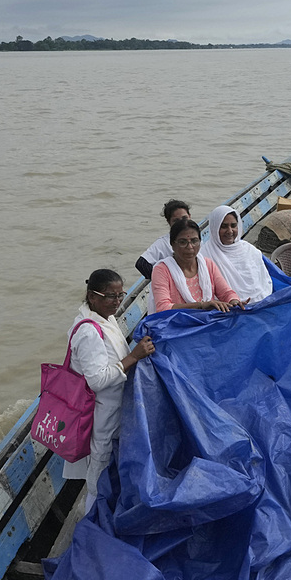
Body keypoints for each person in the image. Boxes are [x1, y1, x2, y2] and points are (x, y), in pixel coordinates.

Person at [65, 268, 155, 508]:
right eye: (109, 296)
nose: (116, 302)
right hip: (99, 411)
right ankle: (92, 517)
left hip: (113, 406)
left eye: (120, 295)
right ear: (92, 296)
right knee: (99, 464)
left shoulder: (106, 318)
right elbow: (96, 381)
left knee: (107, 460)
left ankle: (104, 509)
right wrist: (133, 357)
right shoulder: (88, 331)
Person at [152, 218, 243, 312]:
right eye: (183, 242)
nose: (190, 247)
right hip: (178, 324)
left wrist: (234, 301)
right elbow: (163, 308)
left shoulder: (208, 264)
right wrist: (201, 305)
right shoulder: (162, 270)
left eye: (194, 241)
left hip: (208, 320)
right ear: (172, 244)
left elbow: (225, 293)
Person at [201, 205, 275, 306]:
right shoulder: (204, 254)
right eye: (224, 226)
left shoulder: (249, 250)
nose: (230, 231)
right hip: (225, 307)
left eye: (233, 225)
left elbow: (263, 282)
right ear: (214, 227)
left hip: (259, 303)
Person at [137, 199, 192, 279]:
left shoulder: (196, 237)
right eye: (176, 221)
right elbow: (142, 264)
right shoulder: (163, 243)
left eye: (184, 218)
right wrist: (162, 280)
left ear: (189, 216)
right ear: (168, 222)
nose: (181, 223)